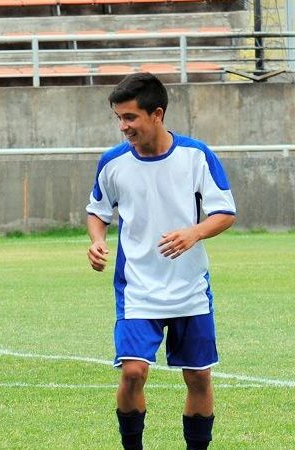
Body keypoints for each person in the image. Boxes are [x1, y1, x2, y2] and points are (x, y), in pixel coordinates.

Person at [86, 72, 236, 450]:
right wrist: (97, 241)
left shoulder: (195, 155)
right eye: (119, 118)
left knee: (198, 377)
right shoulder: (112, 162)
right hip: (138, 288)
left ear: (157, 114)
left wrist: (194, 232)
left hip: (189, 288)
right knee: (133, 372)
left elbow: (225, 212)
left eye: (130, 118)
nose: (123, 127)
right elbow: (97, 211)